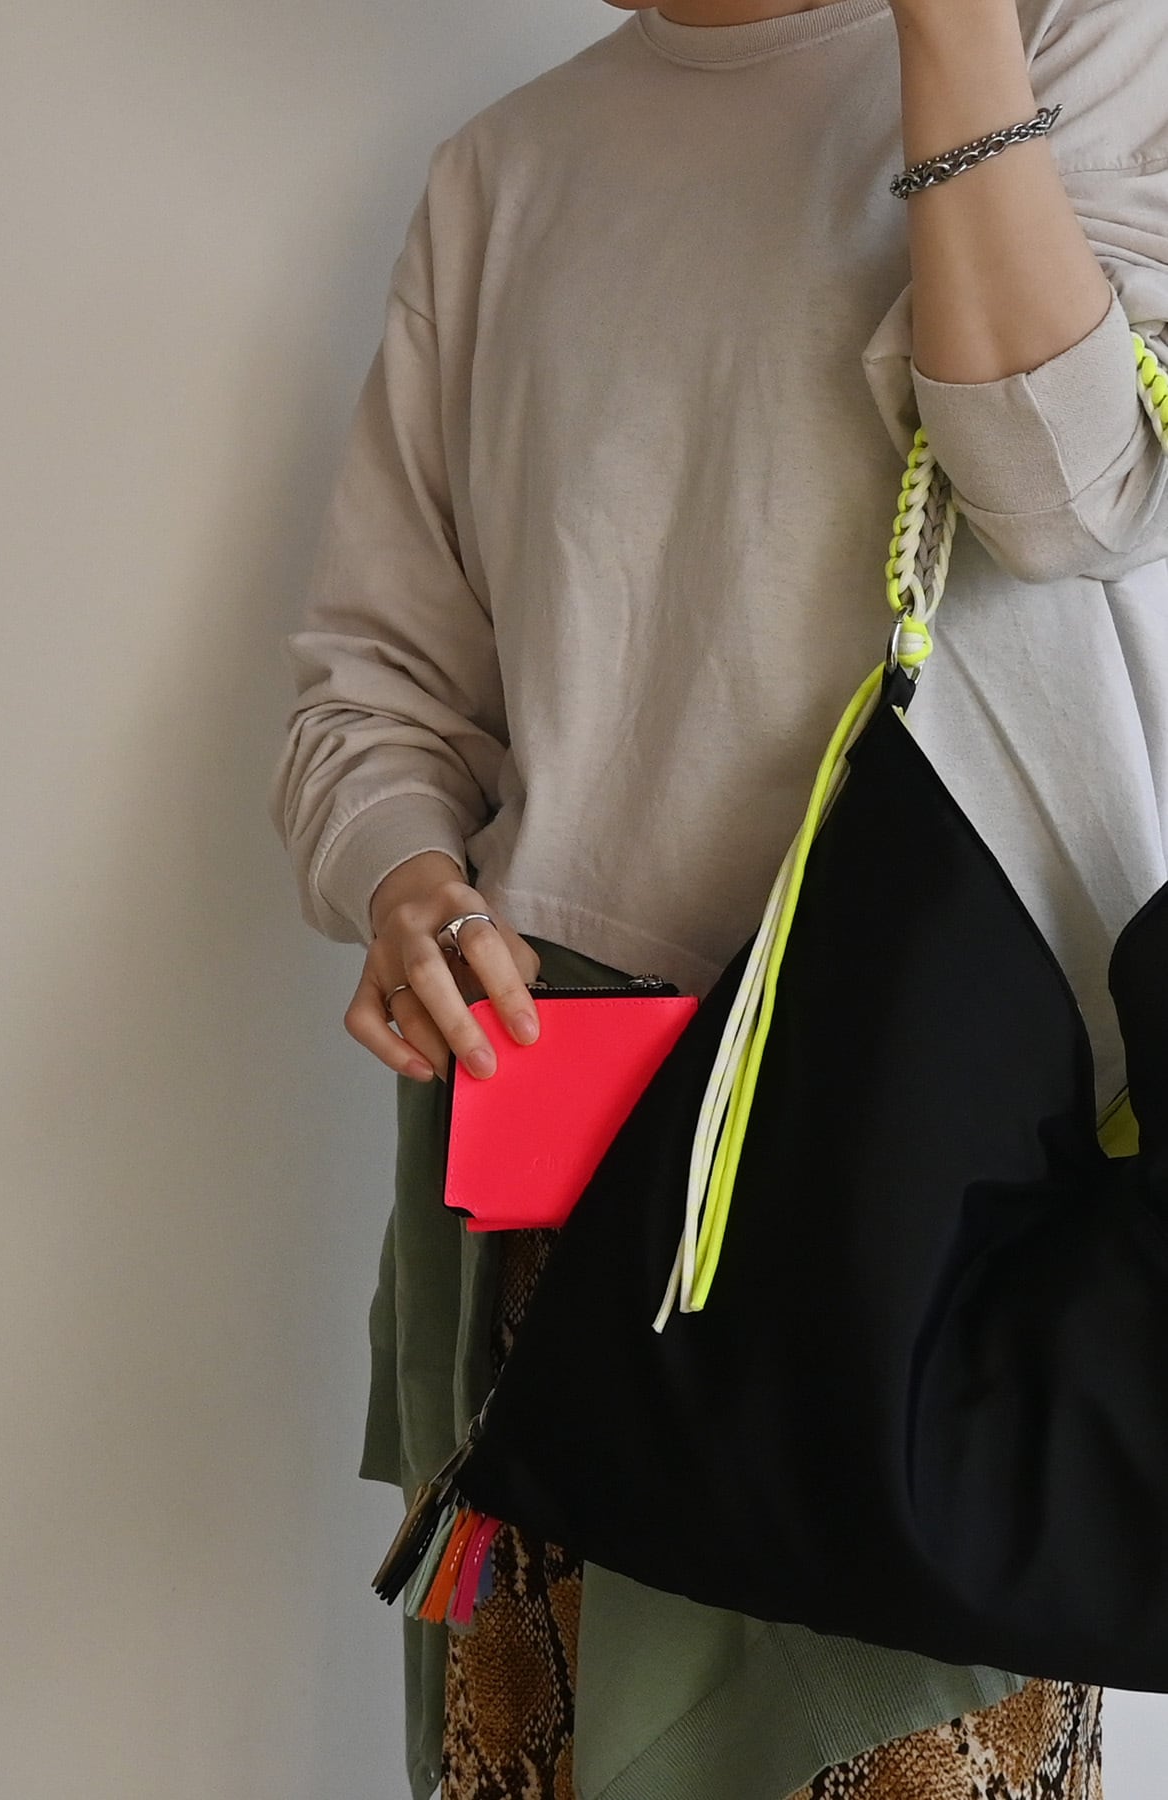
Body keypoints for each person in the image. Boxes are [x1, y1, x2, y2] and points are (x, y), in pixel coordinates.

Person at [272, 0, 1168, 1792]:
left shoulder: (1073, 37)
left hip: (928, 1174)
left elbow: (1069, 501)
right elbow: (375, 685)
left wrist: (950, 38)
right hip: (565, 1131)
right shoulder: (505, 170)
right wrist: (403, 874)